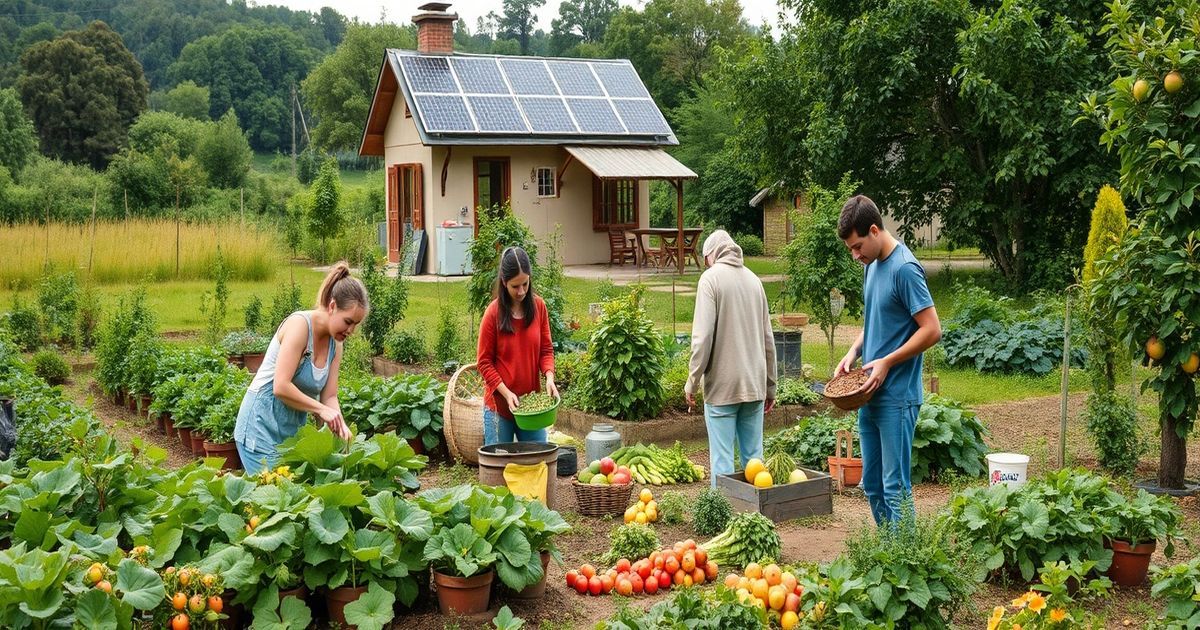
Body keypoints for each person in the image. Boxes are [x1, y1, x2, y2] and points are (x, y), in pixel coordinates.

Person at [833, 195, 941, 524]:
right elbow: (877, 323)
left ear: (875, 230)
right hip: (870, 393)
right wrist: (854, 351)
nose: (855, 255)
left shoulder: (904, 268)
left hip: (897, 395)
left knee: (895, 487)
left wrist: (887, 361)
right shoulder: (873, 265)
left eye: (857, 246)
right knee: (874, 486)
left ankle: (905, 564)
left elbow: (932, 329)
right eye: (850, 249)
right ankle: (886, 554)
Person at [234, 262, 366, 474]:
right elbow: (281, 386)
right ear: (332, 307)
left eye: (355, 325)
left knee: (291, 502)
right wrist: (321, 410)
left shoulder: (336, 344)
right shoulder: (300, 326)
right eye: (348, 321)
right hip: (260, 428)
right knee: (269, 501)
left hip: (290, 434)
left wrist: (341, 426)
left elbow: (329, 396)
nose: (350, 330)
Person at [685, 230, 777, 487]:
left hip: (723, 387)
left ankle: (724, 516)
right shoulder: (754, 281)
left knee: (723, 463)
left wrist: (692, 381)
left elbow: (702, 339)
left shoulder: (710, 280)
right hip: (754, 386)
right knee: (754, 462)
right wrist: (771, 386)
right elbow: (768, 341)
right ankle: (754, 518)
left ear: (710, 256)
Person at [477, 246, 558, 444]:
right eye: (515, 286)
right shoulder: (493, 314)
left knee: (537, 463)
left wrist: (549, 377)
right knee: (498, 468)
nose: (521, 291)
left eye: (525, 284)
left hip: (531, 410)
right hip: (500, 409)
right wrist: (506, 393)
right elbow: (484, 362)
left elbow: (546, 350)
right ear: (504, 283)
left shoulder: (539, 307)